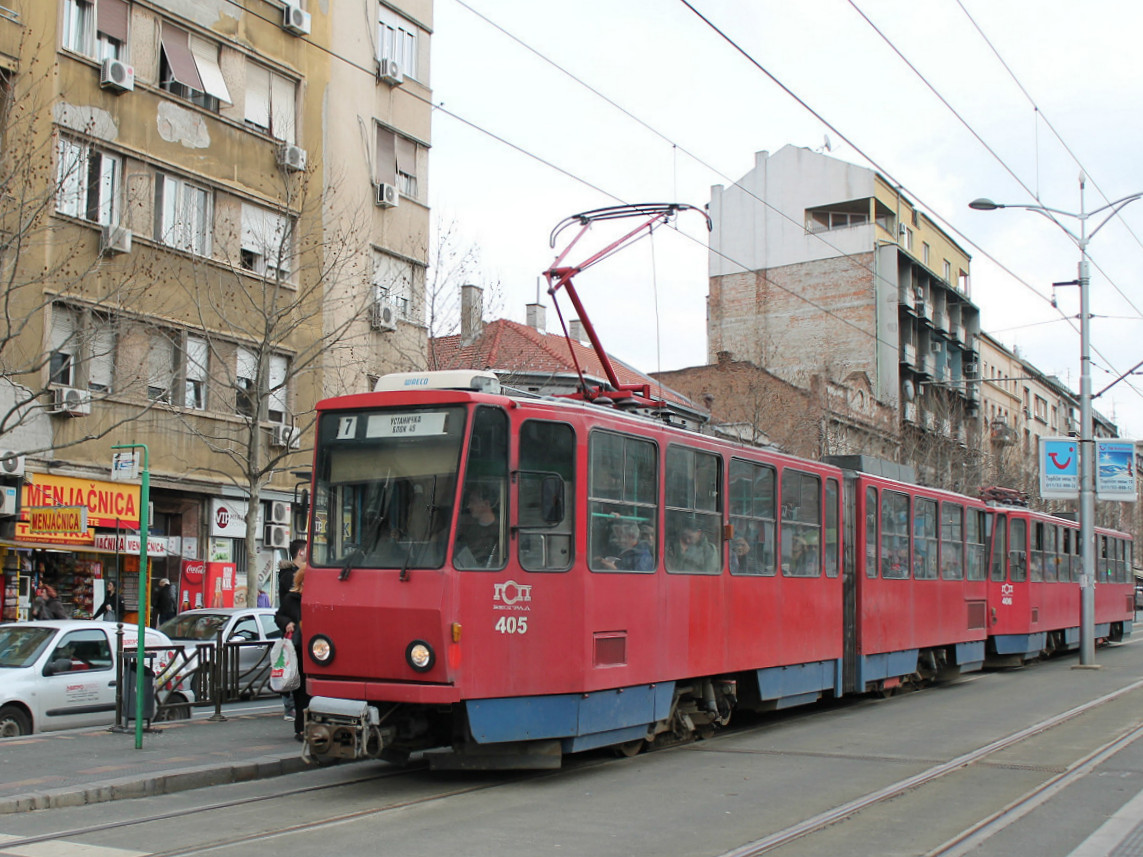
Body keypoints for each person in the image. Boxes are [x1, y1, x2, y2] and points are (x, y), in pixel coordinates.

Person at [274, 564, 308, 741]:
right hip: (298, 650)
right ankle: (301, 728)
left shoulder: (319, 598)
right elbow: (278, 615)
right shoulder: (291, 599)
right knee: (301, 690)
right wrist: (287, 622)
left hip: (317, 649)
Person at [277, 539, 306, 721]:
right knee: (290, 668)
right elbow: (282, 611)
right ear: (301, 552)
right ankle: (290, 707)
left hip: (302, 633)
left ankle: (297, 707)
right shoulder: (288, 576)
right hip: (293, 632)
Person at [454, 484, 501, 568]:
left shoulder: (501, 530)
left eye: (473, 501)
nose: (469, 506)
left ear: (486, 503)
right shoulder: (466, 527)